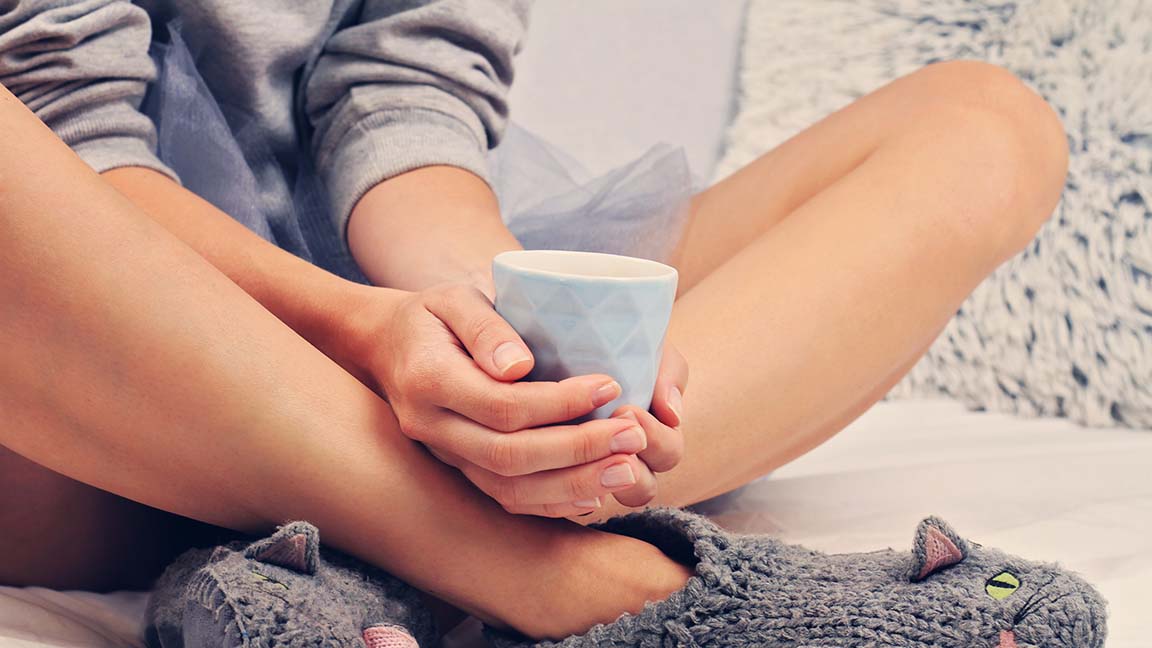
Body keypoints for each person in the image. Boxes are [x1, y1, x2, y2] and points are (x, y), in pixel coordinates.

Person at [0, 0, 1069, 641]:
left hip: (381, 329)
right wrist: (368, 332)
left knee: (983, 124)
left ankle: (390, 537)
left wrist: (500, 347)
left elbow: (409, 98)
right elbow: (69, 137)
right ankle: (590, 581)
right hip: (94, 385)